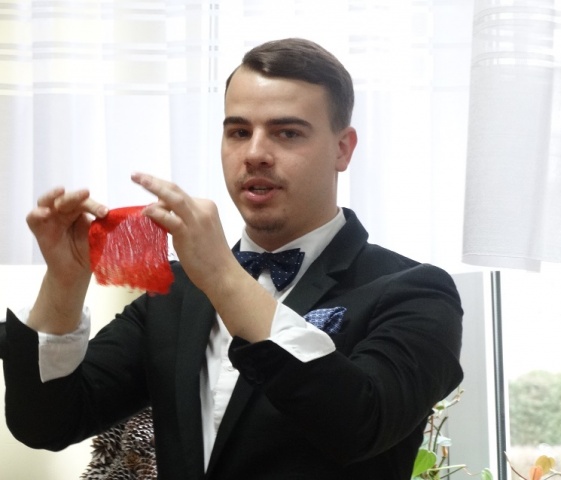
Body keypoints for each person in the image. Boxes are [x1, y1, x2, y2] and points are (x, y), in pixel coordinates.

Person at [2, 38, 463, 480]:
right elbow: (47, 423)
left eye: (287, 133)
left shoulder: (416, 292)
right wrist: (65, 279)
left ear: (342, 149)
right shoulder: (176, 294)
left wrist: (223, 276)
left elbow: (361, 424)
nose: (255, 153)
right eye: (239, 132)